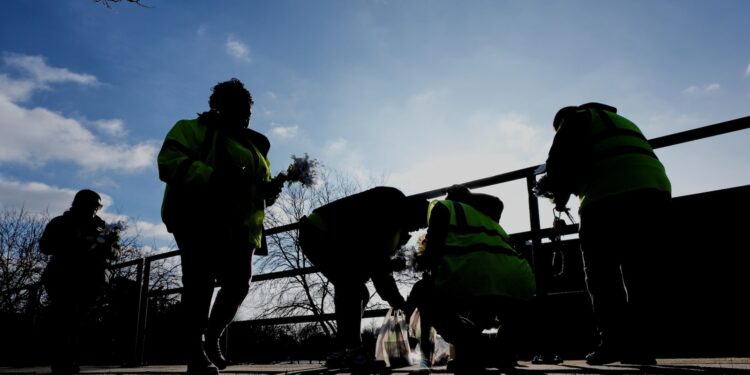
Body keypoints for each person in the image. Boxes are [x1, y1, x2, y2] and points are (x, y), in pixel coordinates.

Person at [158, 78, 280, 375]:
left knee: (239, 283)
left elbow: (256, 185)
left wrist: (270, 190)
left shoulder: (254, 145)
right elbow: (169, 162)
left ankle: (211, 337)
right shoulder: (191, 128)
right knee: (199, 282)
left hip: (242, 226)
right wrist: (212, 178)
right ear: (218, 106)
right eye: (238, 107)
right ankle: (194, 350)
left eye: (248, 109)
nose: (245, 114)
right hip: (198, 216)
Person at [537, 102, 671, 365]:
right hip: (654, 191)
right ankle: (641, 347)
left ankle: (614, 343)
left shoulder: (573, 120)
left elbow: (558, 164)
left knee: (602, 274)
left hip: (606, 197)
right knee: (641, 272)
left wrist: (548, 188)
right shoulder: (619, 121)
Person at [296, 186, 429, 369]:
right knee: (352, 286)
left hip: (325, 234)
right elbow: (377, 264)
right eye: (418, 223)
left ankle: (341, 349)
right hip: (320, 233)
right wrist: (397, 300)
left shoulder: (394, 215)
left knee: (358, 291)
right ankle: (352, 350)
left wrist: (387, 274)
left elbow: (374, 258)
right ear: (411, 212)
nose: (415, 229)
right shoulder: (391, 211)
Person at [413, 186, 536, 374]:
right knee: (486, 301)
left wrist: (423, 264)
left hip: (475, 276)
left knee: (422, 291)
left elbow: (432, 255)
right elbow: (496, 202)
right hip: (520, 280)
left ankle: (471, 348)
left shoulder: (443, 207)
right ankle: (502, 352)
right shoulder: (487, 217)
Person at [39, 189, 119, 375]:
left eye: (97, 206)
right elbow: (45, 246)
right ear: (78, 204)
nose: (94, 210)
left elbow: (116, 253)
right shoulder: (60, 223)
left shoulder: (103, 228)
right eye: (91, 205)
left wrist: (107, 247)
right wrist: (75, 241)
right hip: (63, 277)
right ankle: (63, 363)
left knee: (77, 321)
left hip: (91, 280)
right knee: (64, 319)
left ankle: (69, 362)